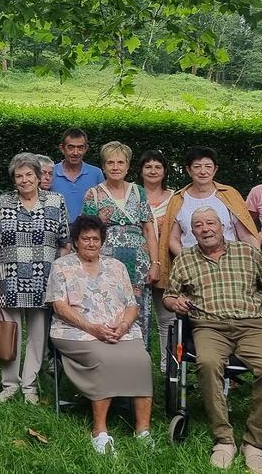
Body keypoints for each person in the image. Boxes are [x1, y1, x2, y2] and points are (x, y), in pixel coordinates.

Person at [163, 207, 262, 474]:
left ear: (222, 226)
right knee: (206, 363)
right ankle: (224, 439)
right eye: (198, 225)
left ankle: (254, 443)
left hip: (252, 326)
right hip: (209, 326)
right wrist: (176, 302)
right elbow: (169, 296)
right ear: (192, 232)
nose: (205, 229)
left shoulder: (248, 252)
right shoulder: (184, 258)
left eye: (210, 223)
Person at [46, 215, 152, 457]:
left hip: (119, 331)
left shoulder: (117, 266)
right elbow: (59, 306)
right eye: (85, 239)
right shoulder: (62, 266)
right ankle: (100, 432)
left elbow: (132, 305)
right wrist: (91, 328)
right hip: (75, 331)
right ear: (75, 241)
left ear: (102, 241)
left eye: (96, 239)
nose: (91, 243)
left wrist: (124, 325)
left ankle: (143, 431)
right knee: (105, 359)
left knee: (142, 360)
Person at [0, 152, 70, 404]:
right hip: (8, 279)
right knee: (9, 333)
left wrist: (59, 276)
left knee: (37, 334)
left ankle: (30, 385)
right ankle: (10, 384)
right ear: (14, 179)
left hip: (43, 280)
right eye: (19, 176)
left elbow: (65, 243)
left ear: (38, 176)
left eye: (29, 175)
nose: (24, 180)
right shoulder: (2, 202)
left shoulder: (56, 201)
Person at [82, 141, 159, 342]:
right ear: (103, 166)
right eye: (110, 163)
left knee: (138, 307)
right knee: (107, 305)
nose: (115, 167)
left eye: (120, 163)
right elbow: (86, 232)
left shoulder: (138, 191)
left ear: (128, 165)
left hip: (139, 261)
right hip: (106, 261)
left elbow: (149, 229)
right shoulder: (94, 194)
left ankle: (138, 356)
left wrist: (155, 264)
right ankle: (109, 353)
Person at [160, 146, 260, 266]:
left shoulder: (229, 194)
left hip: (230, 261)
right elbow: (173, 239)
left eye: (208, 166)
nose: (203, 171)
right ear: (188, 170)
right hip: (192, 263)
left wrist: (257, 259)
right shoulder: (178, 199)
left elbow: (245, 234)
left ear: (215, 169)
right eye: (197, 167)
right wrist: (187, 261)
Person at [138, 149, 177, 369]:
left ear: (164, 171)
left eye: (158, 167)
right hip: (136, 263)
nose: (153, 171)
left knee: (166, 318)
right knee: (136, 317)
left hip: (166, 263)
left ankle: (167, 367)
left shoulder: (174, 198)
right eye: (148, 167)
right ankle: (138, 366)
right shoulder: (132, 194)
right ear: (141, 171)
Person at [49, 128, 104, 223]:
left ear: (86, 149)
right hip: (58, 232)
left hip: (87, 233)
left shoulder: (96, 174)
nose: (75, 153)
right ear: (62, 148)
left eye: (80, 147)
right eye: (71, 147)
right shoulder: (50, 173)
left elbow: (103, 204)